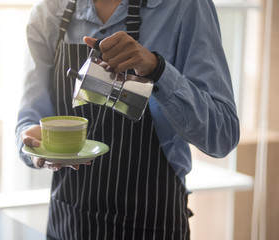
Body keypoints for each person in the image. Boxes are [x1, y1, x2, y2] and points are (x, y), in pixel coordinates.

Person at [16, 0, 240, 239]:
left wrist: (158, 70)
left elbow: (222, 136)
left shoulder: (184, 7)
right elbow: (30, 119)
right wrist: (33, 142)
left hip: (152, 226)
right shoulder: (49, 10)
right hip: (68, 223)